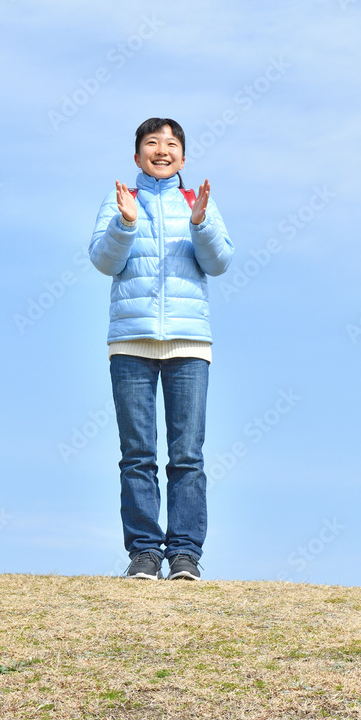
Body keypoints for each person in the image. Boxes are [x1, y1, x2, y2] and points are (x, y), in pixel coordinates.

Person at [88, 118, 234, 581]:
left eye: (172, 144)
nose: (162, 149)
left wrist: (200, 224)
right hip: (130, 342)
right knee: (137, 453)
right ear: (137, 156)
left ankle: (186, 555)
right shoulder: (118, 202)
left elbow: (220, 262)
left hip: (189, 344)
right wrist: (126, 223)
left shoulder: (199, 203)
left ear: (184, 158)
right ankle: (145, 554)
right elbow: (103, 261)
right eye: (152, 143)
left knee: (188, 454)